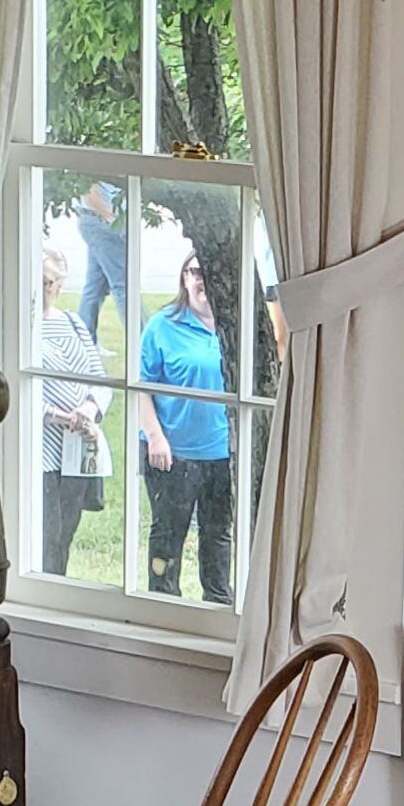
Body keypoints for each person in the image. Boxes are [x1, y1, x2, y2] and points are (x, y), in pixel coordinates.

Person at [133, 253, 237, 604]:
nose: (200, 279)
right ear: (183, 278)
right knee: (167, 537)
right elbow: (141, 388)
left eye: (206, 271)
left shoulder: (234, 324)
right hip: (172, 454)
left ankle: (218, 605)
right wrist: (155, 437)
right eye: (193, 272)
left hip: (221, 454)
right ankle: (163, 606)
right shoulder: (164, 324)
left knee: (218, 536)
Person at [30, 226, 106, 576]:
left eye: (49, 282)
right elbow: (24, 391)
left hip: (76, 449)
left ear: (59, 284)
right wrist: (60, 415)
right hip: (42, 450)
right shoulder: (24, 330)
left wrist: (89, 409)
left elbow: (98, 376)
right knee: (47, 535)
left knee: (66, 536)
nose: (44, 289)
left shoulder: (74, 324)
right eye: (38, 280)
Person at [70, 178, 129, 355]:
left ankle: (84, 342)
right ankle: (142, 341)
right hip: (101, 223)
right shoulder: (89, 163)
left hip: (97, 222)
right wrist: (112, 218)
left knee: (96, 287)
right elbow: (89, 189)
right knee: (124, 286)